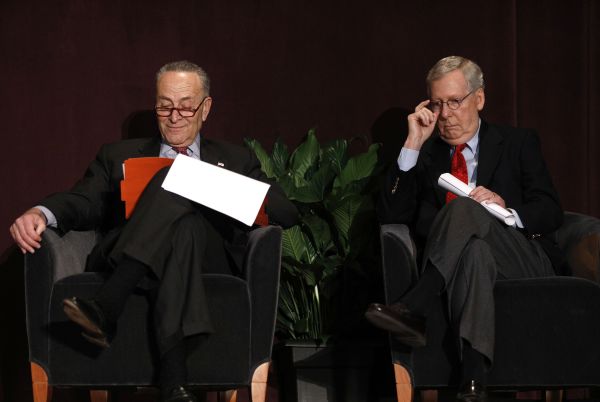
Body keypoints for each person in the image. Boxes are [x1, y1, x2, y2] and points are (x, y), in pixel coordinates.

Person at [10, 60, 298, 402]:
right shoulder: (117, 155)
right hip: (134, 250)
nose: (174, 115)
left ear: (205, 108)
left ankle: (108, 304)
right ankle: (175, 385)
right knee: (182, 223)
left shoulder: (235, 159)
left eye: (186, 106)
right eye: (164, 105)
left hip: (207, 260)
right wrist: (41, 212)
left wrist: (203, 181)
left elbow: (286, 211)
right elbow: (83, 200)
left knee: (178, 183)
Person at [365, 56, 564, 402]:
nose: (445, 114)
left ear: (479, 99)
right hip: (463, 265)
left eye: (455, 101)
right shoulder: (426, 158)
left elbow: (550, 210)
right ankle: (473, 380)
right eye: (437, 103)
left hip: (520, 255)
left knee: (469, 209)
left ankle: (415, 304)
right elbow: (391, 215)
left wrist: (505, 208)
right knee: (474, 252)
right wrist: (413, 144)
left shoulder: (517, 143)